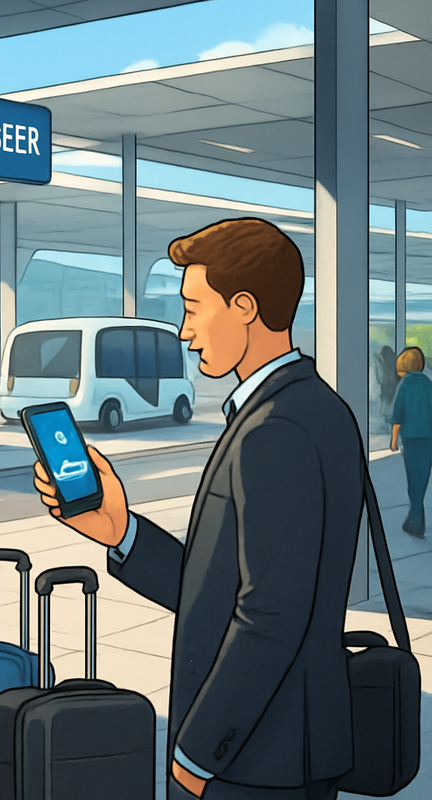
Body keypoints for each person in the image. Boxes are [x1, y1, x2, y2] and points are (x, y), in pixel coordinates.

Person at [33, 218, 363, 799]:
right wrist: (122, 532)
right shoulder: (314, 408)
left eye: (193, 307)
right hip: (283, 748)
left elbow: (271, 616)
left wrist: (196, 750)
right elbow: (222, 586)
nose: (185, 333)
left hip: (257, 760)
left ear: (244, 306)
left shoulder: (275, 429)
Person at [389, 346, 432, 538]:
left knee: (414, 483)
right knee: (421, 482)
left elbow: (397, 415)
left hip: (412, 441)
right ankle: (415, 520)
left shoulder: (405, 385)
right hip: (429, 439)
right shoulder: (428, 384)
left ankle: (415, 522)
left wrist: (393, 440)